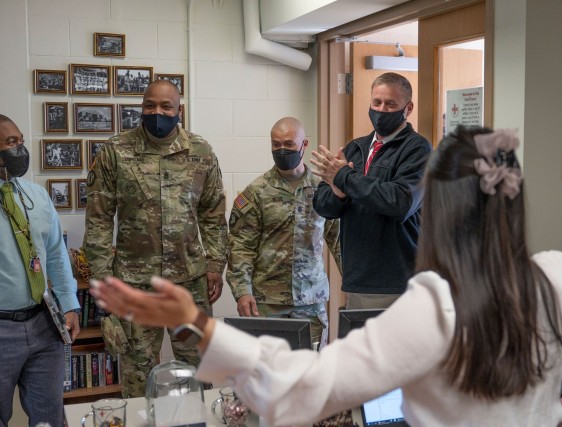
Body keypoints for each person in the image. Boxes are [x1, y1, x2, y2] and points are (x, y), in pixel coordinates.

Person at [89, 125, 562, 426]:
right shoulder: (556, 278)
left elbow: (304, 387)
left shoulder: (435, 307)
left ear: (439, 208)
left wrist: (198, 325)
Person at [83, 79, 228, 398]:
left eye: (166, 107)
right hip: (135, 284)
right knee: (138, 375)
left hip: (188, 283)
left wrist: (216, 264)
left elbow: (213, 213)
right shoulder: (116, 151)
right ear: (141, 107)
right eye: (150, 105)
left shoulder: (201, 152)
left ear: (180, 111)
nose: (157, 112)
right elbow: (98, 219)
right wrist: (103, 277)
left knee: (199, 370)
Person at [311, 72, 432, 309]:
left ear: (408, 108)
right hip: (358, 279)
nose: (381, 110)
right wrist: (339, 192)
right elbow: (322, 204)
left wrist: (345, 177)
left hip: (398, 281)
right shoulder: (356, 148)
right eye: (376, 102)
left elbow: (400, 201)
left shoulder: (418, 149)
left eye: (390, 104)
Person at [226, 117, 341, 347]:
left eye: (288, 144)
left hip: (311, 301)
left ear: (304, 144)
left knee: (311, 373)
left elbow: (339, 241)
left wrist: (354, 286)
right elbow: (240, 248)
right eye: (276, 144)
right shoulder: (256, 192)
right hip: (267, 303)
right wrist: (242, 291)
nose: (281, 150)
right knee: (267, 374)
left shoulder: (323, 189)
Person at [0, 115, 80, 426]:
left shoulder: (36, 195)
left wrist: (70, 304)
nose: (19, 148)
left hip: (44, 323)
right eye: (10, 143)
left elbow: (56, 255)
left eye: (19, 140)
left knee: (50, 418)